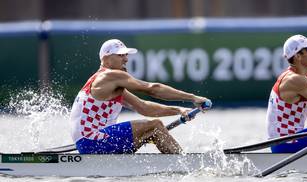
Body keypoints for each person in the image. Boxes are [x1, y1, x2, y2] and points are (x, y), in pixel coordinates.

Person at [70, 39, 210, 154]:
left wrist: (179, 110)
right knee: (154, 126)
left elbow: (144, 108)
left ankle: (177, 159)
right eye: (120, 55)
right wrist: (193, 98)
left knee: (153, 129)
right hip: (93, 141)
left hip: (89, 142)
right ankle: (183, 163)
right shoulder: (109, 75)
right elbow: (152, 89)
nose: (125, 59)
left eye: (126, 55)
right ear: (106, 59)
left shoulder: (107, 84)